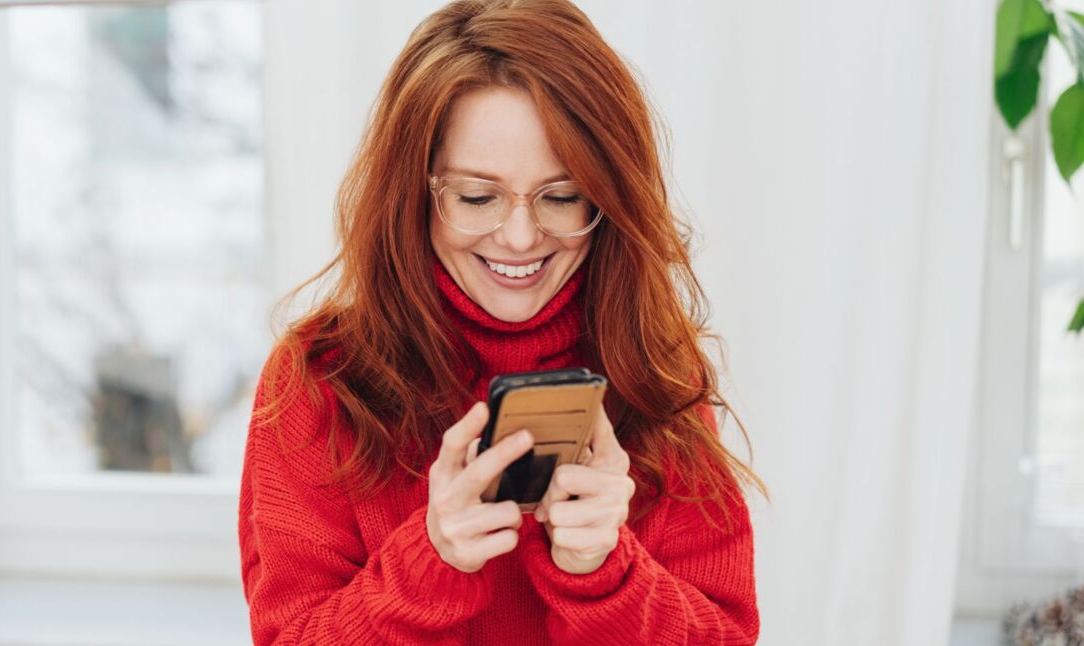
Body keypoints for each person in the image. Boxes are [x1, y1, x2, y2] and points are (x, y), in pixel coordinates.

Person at [237, 1, 768, 643]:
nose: (519, 237)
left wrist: (607, 575)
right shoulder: (320, 381)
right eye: (477, 197)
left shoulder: (652, 369)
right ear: (414, 194)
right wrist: (429, 563)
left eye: (563, 196)